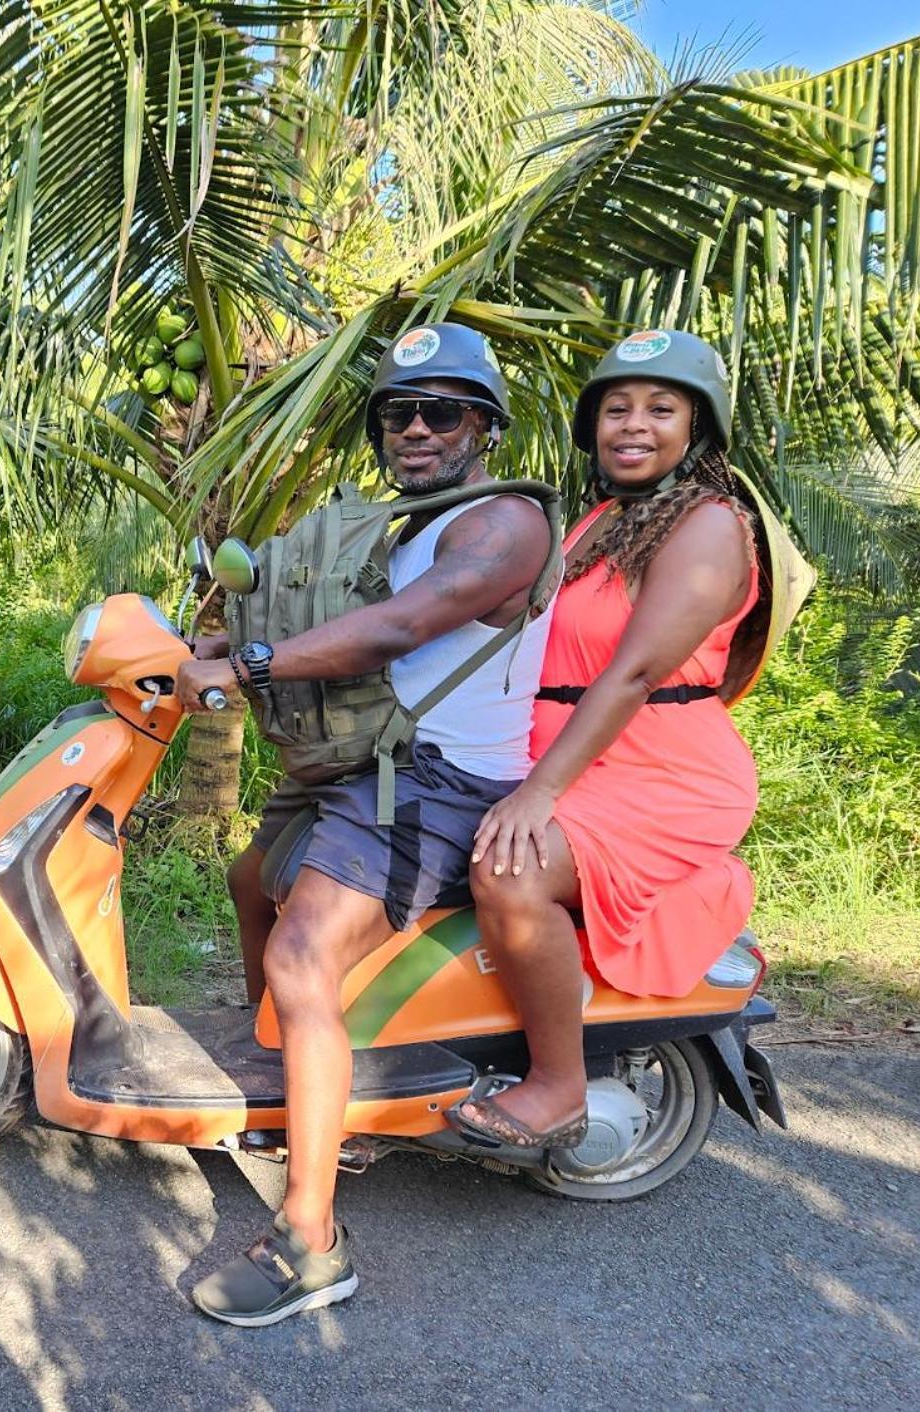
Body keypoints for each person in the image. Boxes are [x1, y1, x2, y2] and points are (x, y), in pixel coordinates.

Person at [176, 322, 555, 1326]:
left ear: (483, 424)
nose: (416, 427)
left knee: (302, 952)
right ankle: (295, 1100)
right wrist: (216, 635)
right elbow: (334, 612)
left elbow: (396, 626)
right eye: (398, 412)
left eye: (441, 410)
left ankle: (310, 1241)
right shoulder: (397, 522)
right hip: (366, 761)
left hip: (438, 777)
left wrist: (249, 668)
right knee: (249, 883)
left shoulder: (502, 521)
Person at [454, 328, 765, 1150]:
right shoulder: (598, 520)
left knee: (508, 871)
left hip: (657, 768)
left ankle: (557, 1085)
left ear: (696, 429)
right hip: (565, 749)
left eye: (660, 409)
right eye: (615, 409)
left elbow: (630, 674)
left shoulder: (706, 524)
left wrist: (537, 792)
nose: (633, 425)